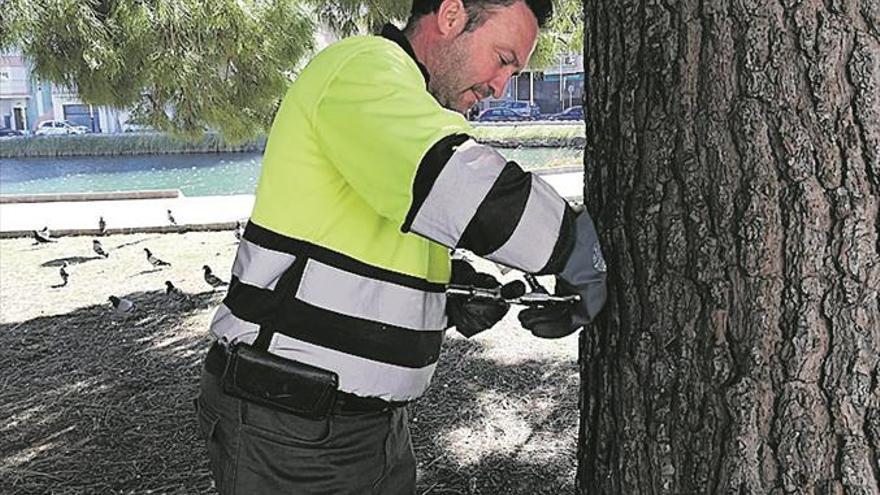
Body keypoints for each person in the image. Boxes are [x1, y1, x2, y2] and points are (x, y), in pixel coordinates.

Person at [194, 0, 607, 493]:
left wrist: (447, 294)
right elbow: (457, 181)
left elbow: (359, 240)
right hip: (291, 429)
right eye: (502, 59)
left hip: (360, 429)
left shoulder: (402, 100)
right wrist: (575, 247)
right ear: (451, 15)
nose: (501, 86)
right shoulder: (364, 68)